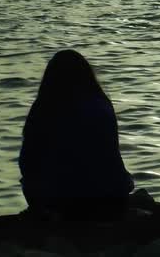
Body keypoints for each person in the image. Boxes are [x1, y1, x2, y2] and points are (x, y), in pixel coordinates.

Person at [19, 49, 134, 220]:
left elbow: (27, 161)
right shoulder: (101, 104)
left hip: (64, 201)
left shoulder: (44, 107)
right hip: (113, 195)